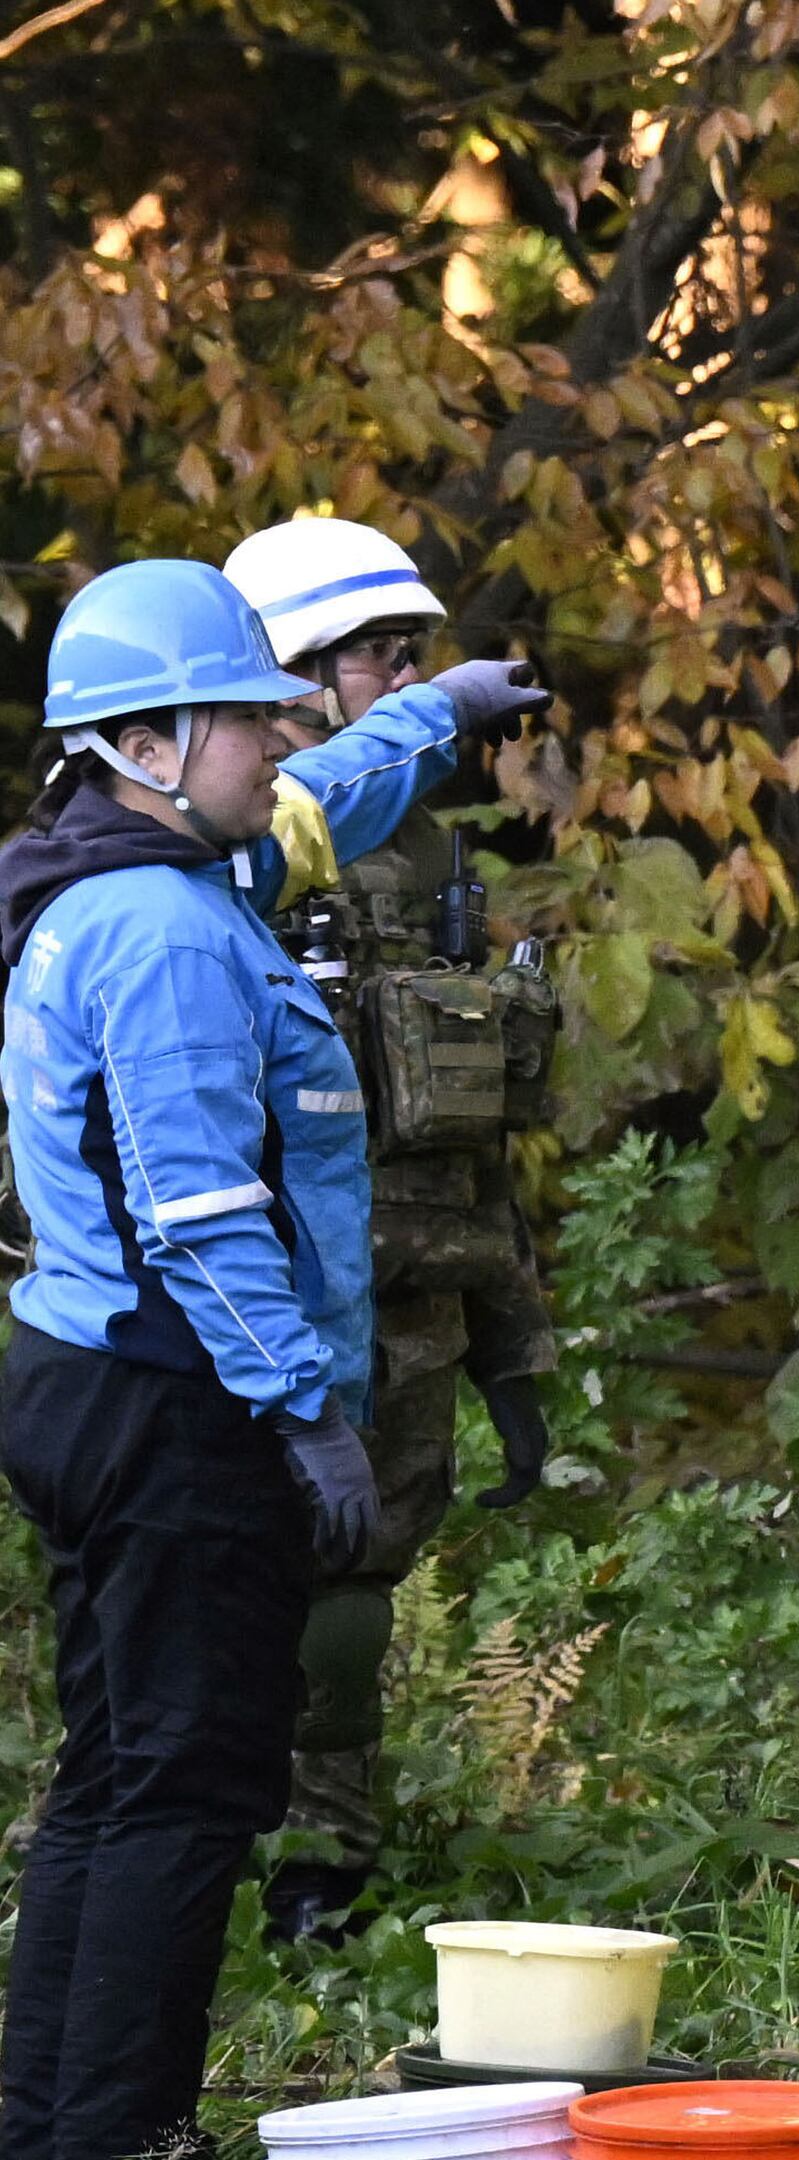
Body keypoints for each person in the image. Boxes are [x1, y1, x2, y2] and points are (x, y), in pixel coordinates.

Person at [1, 557, 533, 2160]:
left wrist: (430, 715)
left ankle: (47, 2127)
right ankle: (116, 2134)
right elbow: (202, 1212)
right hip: (180, 1405)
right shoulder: (162, 935)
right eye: (248, 717)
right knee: (190, 1794)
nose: (282, 734)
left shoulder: (128, 873)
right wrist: (306, 1416)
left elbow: (320, 796)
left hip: (95, 1379)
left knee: (114, 1782)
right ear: (149, 742)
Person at [218, 516, 566, 1944]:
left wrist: (515, 1353)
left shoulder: (425, 860)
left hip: (416, 1294)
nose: (409, 681)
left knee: (351, 1605)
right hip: (259, 1296)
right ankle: (189, 1847)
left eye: (420, 658)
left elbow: (468, 1124)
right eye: (381, 656)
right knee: (233, 1597)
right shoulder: (250, 838)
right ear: (292, 672)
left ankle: (321, 1872)